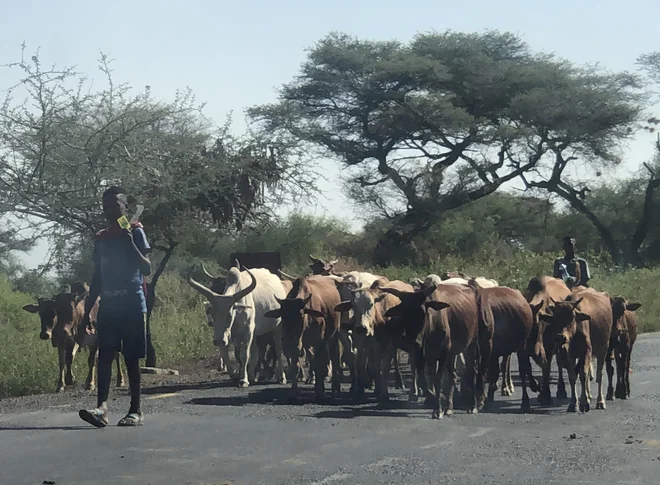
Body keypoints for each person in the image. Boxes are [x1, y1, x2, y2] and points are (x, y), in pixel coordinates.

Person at [78, 186, 152, 428]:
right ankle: (101, 409)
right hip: (108, 305)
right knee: (105, 355)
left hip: (132, 303)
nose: (110, 210)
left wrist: (129, 241)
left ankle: (136, 411)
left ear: (125, 208)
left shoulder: (136, 232)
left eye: (116, 206)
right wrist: (88, 309)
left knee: (131, 358)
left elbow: (146, 268)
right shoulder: (101, 238)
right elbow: (98, 275)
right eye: (106, 206)